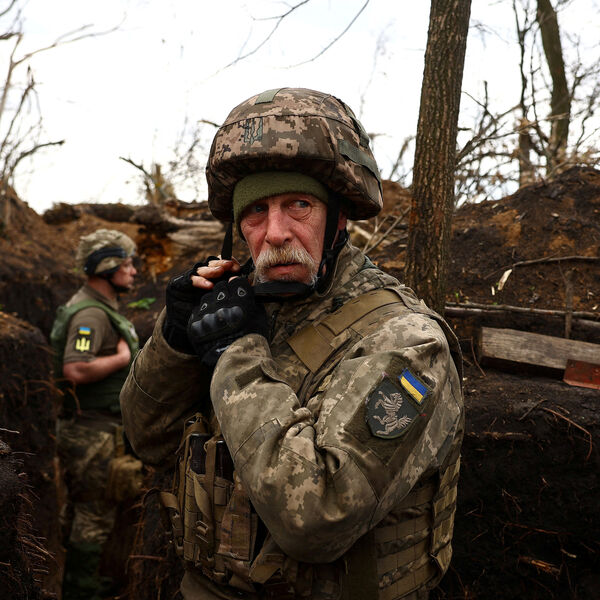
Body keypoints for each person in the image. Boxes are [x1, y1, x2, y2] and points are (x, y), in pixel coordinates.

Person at [120, 88, 464, 600]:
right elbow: (146, 440)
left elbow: (318, 518)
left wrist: (237, 354)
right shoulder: (241, 306)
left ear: (338, 217)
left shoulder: (405, 341)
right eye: (256, 211)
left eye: (298, 205)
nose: (275, 232)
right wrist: (174, 343)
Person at [50, 228, 140, 600]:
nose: (133, 271)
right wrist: (121, 358)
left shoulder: (94, 306)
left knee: (83, 508)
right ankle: (80, 588)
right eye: (127, 264)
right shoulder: (90, 314)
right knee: (94, 515)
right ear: (107, 267)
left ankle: (77, 578)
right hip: (94, 432)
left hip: (89, 428)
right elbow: (75, 368)